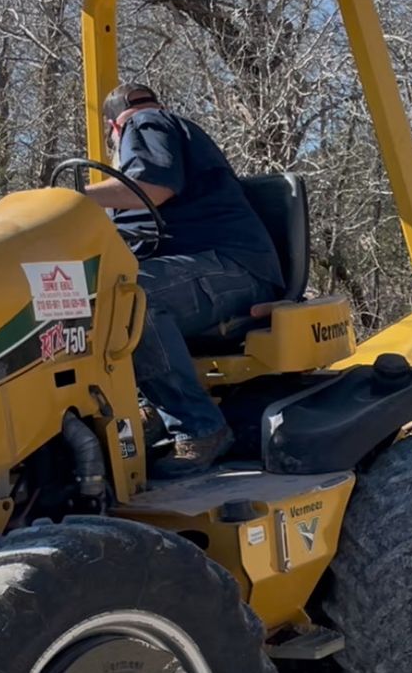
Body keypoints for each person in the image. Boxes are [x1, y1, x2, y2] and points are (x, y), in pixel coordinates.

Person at [83, 82, 282, 478]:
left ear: (113, 128)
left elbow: (153, 187)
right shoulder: (172, 135)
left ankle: (199, 426)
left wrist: (73, 197)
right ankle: (149, 408)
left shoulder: (146, 122)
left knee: (129, 296)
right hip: (208, 267)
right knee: (90, 291)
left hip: (233, 267)